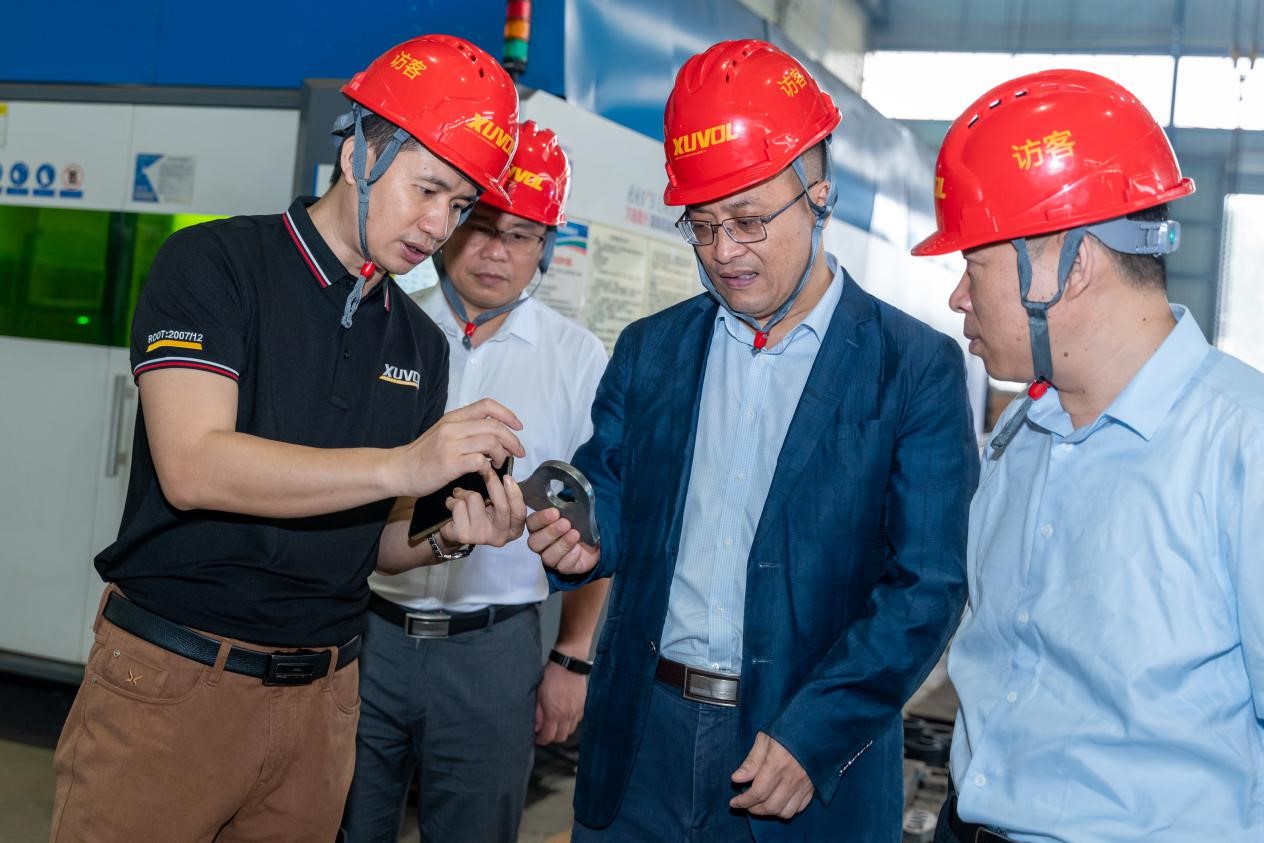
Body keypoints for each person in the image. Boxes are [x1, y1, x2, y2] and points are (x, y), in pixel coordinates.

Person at [49, 35, 530, 842]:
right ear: (358, 155)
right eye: (427, 189)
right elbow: (193, 465)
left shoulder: (419, 343)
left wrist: (450, 533)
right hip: (175, 684)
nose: (437, 225)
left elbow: (377, 546)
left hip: (323, 705)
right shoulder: (214, 264)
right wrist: (403, 465)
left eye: (459, 205)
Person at [527, 40, 978, 841]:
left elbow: (927, 584)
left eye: (747, 220)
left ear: (819, 196)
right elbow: (614, 491)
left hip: (802, 753)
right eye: (702, 226)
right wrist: (581, 536)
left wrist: (815, 731)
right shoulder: (652, 349)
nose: (724, 252)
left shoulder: (912, 367)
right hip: (642, 742)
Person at [911, 69, 1264, 843]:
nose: (958, 297)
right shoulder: (1022, 436)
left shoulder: (1243, 447)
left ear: (1070, 265)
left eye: (974, 265)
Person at [342, 120, 610, 842]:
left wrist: (572, 658)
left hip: (493, 650)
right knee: (343, 820)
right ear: (450, 225)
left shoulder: (579, 361)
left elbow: (597, 522)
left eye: (521, 235)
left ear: (545, 247)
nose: (497, 251)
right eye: (482, 226)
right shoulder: (383, 326)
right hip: (368, 632)